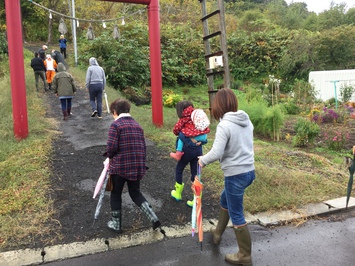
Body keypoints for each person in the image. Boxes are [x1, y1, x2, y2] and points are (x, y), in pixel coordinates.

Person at [198, 88, 255, 265]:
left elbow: (216, 152)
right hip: (248, 172)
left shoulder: (225, 125)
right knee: (225, 199)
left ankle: (244, 255)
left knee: (236, 213)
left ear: (218, 106)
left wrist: (202, 160)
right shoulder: (246, 121)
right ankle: (217, 233)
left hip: (235, 174)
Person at [105, 98, 161, 233]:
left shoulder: (116, 125)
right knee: (135, 193)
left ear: (115, 111)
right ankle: (153, 217)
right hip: (136, 165)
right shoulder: (138, 125)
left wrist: (109, 156)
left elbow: (111, 147)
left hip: (120, 167)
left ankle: (116, 224)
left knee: (116, 193)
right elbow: (143, 147)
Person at [170, 101, 210, 207]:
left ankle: (178, 193)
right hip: (198, 149)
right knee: (195, 173)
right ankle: (196, 199)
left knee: (179, 168)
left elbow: (176, 130)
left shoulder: (184, 117)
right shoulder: (196, 115)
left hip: (186, 149)